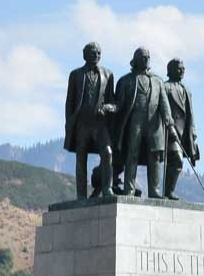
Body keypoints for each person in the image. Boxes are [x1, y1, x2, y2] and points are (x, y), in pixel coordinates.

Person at [113, 47, 175, 198]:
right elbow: (118, 105)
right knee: (132, 154)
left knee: (154, 157)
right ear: (135, 60)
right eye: (142, 57)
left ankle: (154, 191)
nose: (146, 59)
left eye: (148, 56)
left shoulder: (157, 81)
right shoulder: (125, 80)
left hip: (154, 124)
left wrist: (169, 123)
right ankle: (129, 189)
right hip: (134, 122)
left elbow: (164, 104)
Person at [64, 42, 116, 201]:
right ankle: (81, 195)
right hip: (81, 124)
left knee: (107, 153)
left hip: (100, 125)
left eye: (99, 53)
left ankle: (107, 189)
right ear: (85, 55)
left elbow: (114, 103)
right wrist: (69, 124)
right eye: (93, 53)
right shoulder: (76, 75)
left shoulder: (108, 74)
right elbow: (69, 102)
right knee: (81, 159)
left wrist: (107, 107)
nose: (96, 56)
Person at [163, 57, 200, 200]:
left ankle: (168, 191)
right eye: (179, 68)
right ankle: (168, 191)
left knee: (178, 161)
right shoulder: (165, 87)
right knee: (177, 160)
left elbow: (191, 115)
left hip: (184, 134)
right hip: (169, 132)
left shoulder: (186, 90)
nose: (182, 70)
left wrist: (193, 134)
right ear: (171, 70)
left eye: (183, 68)